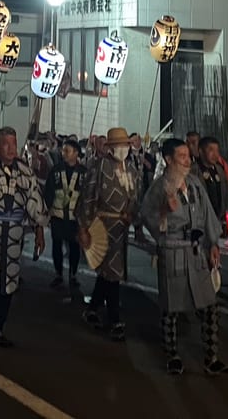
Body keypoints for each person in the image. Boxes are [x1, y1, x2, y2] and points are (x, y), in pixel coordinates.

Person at [140, 139, 228, 376]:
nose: (187, 159)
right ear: (168, 159)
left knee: (210, 304)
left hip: (197, 249)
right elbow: (147, 216)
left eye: (187, 155)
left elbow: (208, 213)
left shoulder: (195, 184)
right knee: (171, 306)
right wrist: (163, 212)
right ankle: (172, 354)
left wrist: (213, 243)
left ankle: (211, 357)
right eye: (181, 156)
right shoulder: (160, 187)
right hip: (173, 250)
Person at [0, 126, 48, 355]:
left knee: (7, 286)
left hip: (14, 239)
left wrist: (40, 230)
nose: (11, 148)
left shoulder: (25, 173)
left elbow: (34, 203)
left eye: (14, 144)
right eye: (6, 144)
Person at [77, 127, 142, 341]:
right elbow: (88, 197)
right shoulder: (100, 166)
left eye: (125, 145)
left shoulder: (132, 169)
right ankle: (114, 318)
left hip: (122, 226)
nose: (122, 149)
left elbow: (135, 196)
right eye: (118, 146)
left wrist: (131, 215)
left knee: (109, 272)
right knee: (112, 272)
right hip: (102, 225)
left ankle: (93, 308)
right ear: (110, 148)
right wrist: (84, 226)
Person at [43, 138, 85, 289]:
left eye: (67, 151)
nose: (64, 153)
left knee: (74, 247)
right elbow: (48, 191)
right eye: (63, 151)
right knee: (57, 246)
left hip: (75, 218)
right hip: (58, 216)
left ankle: (73, 274)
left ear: (76, 153)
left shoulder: (83, 173)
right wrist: (46, 211)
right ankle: (58, 273)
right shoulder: (56, 170)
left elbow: (87, 196)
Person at [193, 136, 228, 246]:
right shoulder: (194, 170)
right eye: (211, 150)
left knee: (213, 246)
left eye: (217, 150)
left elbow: (225, 189)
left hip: (216, 216)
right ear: (201, 151)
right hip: (199, 218)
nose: (215, 154)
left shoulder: (219, 169)